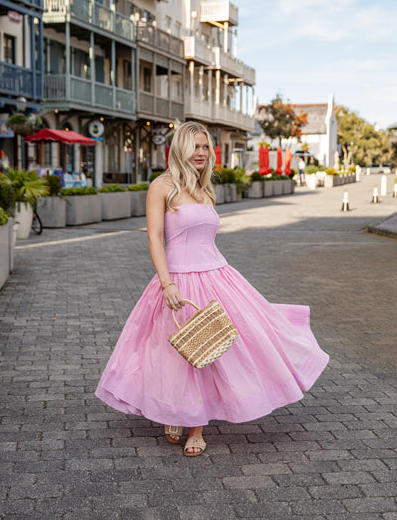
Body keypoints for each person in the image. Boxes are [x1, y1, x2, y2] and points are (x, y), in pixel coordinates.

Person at [95, 122, 329, 456]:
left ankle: (197, 428)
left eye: (206, 147)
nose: (202, 152)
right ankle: (173, 411)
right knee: (173, 353)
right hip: (177, 279)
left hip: (217, 276)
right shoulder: (162, 186)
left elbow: (206, 240)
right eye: (196, 146)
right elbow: (154, 237)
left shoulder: (207, 190)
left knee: (213, 350)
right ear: (180, 149)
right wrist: (166, 283)